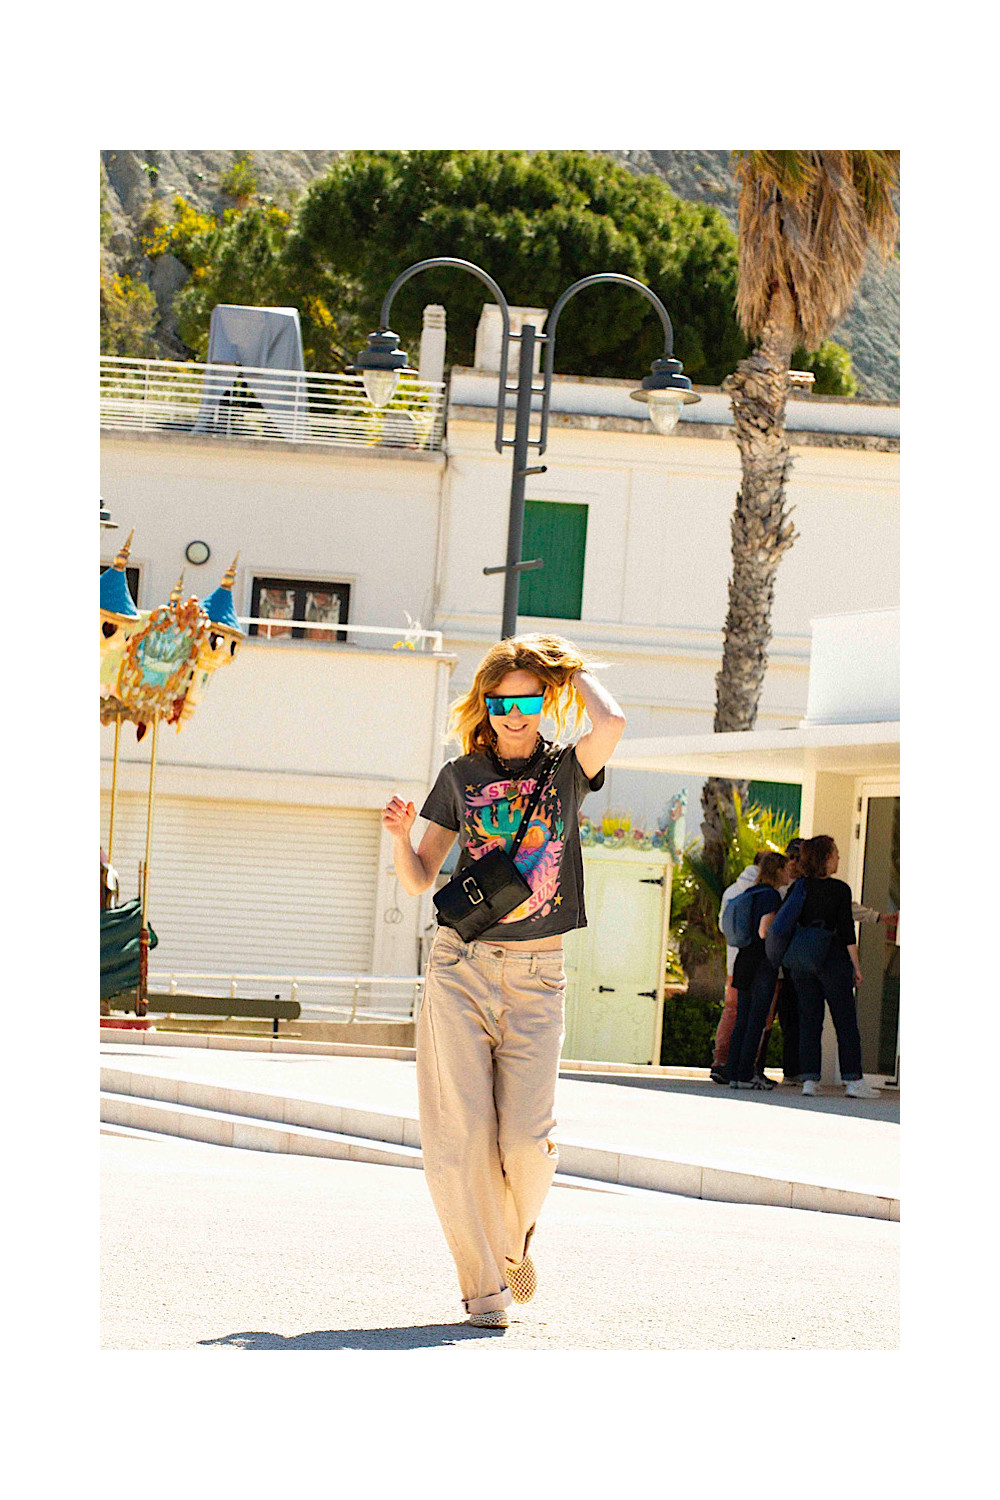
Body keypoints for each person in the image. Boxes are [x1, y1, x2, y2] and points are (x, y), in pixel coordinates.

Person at [382, 633, 624, 1329]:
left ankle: (513, 1242)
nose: (514, 714)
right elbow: (421, 878)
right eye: (501, 702)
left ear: (545, 700)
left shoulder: (566, 769)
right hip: (461, 965)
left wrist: (569, 669)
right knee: (460, 1137)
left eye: (527, 700)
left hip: (537, 975)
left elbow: (611, 723)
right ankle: (483, 1291)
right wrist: (400, 839)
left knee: (524, 1142)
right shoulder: (460, 776)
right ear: (485, 706)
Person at [763, 834, 880, 1099]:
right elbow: (847, 932)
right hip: (833, 960)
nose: (838, 857)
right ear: (826, 858)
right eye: (835, 853)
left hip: (802, 961)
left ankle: (809, 1079)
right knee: (845, 1021)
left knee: (809, 1021)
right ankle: (853, 1079)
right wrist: (856, 966)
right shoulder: (839, 890)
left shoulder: (799, 887)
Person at [725, 852, 788, 1091]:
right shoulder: (771, 895)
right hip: (761, 963)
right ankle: (746, 1074)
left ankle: (734, 1072)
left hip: (743, 960)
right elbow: (764, 930)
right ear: (777, 870)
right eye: (785, 868)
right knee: (756, 1019)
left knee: (742, 1018)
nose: (788, 873)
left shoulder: (750, 891)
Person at [709, 853, 764, 1085]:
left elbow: (723, 926)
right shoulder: (767, 893)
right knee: (759, 1015)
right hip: (760, 963)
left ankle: (720, 1060)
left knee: (731, 1011)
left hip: (735, 962)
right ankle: (747, 1066)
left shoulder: (732, 891)